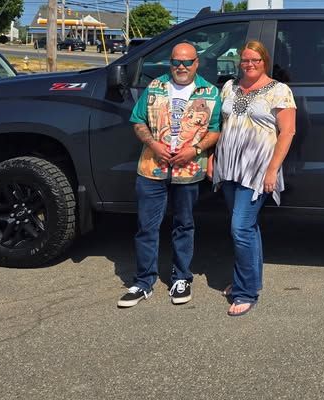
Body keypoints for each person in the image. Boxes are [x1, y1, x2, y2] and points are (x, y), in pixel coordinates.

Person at [117, 42, 221, 309]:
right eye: (176, 62)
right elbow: (138, 120)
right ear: (170, 63)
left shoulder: (210, 92)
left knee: (184, 225)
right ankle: (143, 282)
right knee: (146, 228)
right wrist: (154, 145)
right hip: (152, 168)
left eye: (187, 62)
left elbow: (215, 129)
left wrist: (195, 149)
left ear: (197, 63)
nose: (181, 67)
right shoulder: (155, 87)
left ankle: (181, 278)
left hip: (188, 170)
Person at [212, 39, 296, 317]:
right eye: (245, 60)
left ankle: (246, 292)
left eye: (255, 60)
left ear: (265, 62)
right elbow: (223, 125)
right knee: (248, 229)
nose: (249, 64)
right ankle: (244, 281)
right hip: (229, 166)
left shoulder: (279, 91)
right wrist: (213, 157)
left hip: (257, 169)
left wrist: (272, 170)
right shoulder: (230, 87)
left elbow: (287, 133)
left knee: (240, 228)